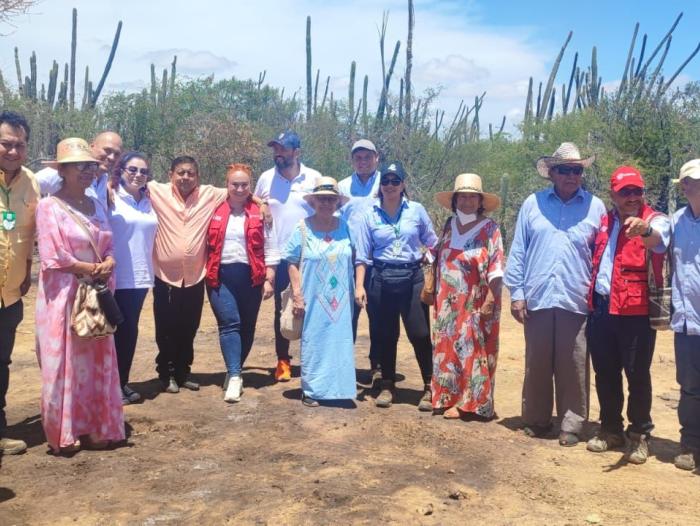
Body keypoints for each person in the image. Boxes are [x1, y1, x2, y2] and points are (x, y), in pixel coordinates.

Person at [504, 142, 606, 447]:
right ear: (552, 173)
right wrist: (517, 293)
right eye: (565, 170)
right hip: (538, 295)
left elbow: (601, 255)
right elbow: (518, 249)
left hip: (575, 297)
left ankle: (572, 423)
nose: (571, 176)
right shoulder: (532, 204)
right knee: (537, 361)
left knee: (573, 364)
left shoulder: (595, 207)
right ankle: (536, 419)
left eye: (577, 170)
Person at [35, 138, 124, 453]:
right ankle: (66, 431)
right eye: (81, 166)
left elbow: (108, 243)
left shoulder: (98, 204)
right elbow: (52, 257)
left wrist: (109, 260)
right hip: (64, 296)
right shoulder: (49, 206)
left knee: (98, 356)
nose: (89, 171)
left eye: (92, 166)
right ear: (63, 170)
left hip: (95, 294)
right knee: (65, 362)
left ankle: (98, 427)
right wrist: (91, 266)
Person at [585, 166, 670, 463]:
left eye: (637, 191)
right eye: (626, 192)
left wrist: (645, 231)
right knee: (605, 372)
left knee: (637, 374)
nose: (633, 197)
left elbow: (659, 239)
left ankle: (639, 435)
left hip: (635, 311)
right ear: (613, 195)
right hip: (602, 308)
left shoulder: (654, 219)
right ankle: (610, 429)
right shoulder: (604, 221)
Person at [355, 161, 438, 410]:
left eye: (395, 181)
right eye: (386, 181)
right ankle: (388, 385)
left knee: (420, 334)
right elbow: (362, 255)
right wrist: (360, 286)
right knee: (385, 335)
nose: (390, 186)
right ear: (380, 186)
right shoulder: (369, 215)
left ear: (403, 184)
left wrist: (430, 257)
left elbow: (433, 242)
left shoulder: (417, 210)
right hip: (380, 277)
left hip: (411, 277)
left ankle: (430, 386)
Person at [147, 156, 228, 393]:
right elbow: (123, 183)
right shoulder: (155, 190)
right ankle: (166, 373)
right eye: (181, 173)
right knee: (165, 326)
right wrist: (110, 186)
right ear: (170, 174)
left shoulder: (209, 194)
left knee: (189, 326)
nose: (185, 177)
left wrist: (262, 205)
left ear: (198, 176)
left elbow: (239, 189)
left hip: (195, 275)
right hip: (164, 276)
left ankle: (183, 372)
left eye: (190, 173)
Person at [431, 173, 504, 420]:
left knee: (472, 348)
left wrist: (490, 301)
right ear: (455, 200)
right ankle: (446, 396)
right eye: (462, 197)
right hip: (446, 301)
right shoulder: (448, 225)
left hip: (476, 300)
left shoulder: (490, 229)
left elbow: (496, 268)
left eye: (472, 197)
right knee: (447, 347)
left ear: (480, 201)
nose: (467, 202)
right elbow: (436, 256)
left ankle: (471, 402)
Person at [205, 164, 279, 403]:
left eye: (244, 184)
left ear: (251, 185)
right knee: (230, 323)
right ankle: (236, 376)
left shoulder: (260, 212)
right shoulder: (213, 207)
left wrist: (269, 278)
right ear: (226, 185)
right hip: (220, 275)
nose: (239, 188)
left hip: (251, 277)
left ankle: (233, 368)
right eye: (234, 184)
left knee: (247, 326)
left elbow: (271, 245)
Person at [254, 131, 322, 382]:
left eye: (283, 149)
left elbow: (327, 207)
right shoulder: (266, 178)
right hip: (279, 254)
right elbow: (253, 200)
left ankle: (312, 359)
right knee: (282, 309)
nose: (278, 154)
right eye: (275, 149)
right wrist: (261, 204)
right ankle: (283, 360)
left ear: (297, 152)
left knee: (312, 307)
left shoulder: (313, 177)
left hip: (311, 255)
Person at [285, 177, 356, 406]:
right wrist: (297, 295)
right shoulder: (302, 227)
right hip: (312, 297)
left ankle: (339, 389)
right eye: (322, 199)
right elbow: (292, 262)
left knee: (340, 341)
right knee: (314, 341)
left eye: (331, 199)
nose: (326, 203)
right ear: (314, 201)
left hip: (342, 299)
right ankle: (312, 390)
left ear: (337, 202)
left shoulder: (345, 227)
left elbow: (356, 259)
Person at [0, 111, 39, 455]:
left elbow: (27, 236)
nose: (13, 151)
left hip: (10, 295)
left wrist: (27, 272)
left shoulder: (31, 183)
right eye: (6, 144)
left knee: (1, 363)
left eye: (19, 145)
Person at [108, 152, 158, 405]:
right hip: (115, 278)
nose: (138, 175)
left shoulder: (148, 200)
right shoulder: (110, 196)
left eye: (143, 171)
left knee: (129, 332)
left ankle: (122, 382)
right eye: (133, 169)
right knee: (110, 333)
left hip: (141, 279)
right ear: (121, 170)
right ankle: (109, 387)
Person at [338, 139, 381, 382]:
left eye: (367, 157)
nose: (362, 162)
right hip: (350, 260)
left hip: (379, 261)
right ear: (352, 160)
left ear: (377, 158)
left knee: (377, 316)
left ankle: (377, 365)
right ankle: (345, 364)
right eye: (358, 158)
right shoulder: (343, 187)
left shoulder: (387, 183)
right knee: (348, 316)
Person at [670, 159, 700, 472]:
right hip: (688, 320)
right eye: (690, 181)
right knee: (690, 387)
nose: (694, 185)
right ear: (684, 187)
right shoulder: (676, 221)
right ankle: (691, 445)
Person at [35, 131, 123, 205]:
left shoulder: (104, 180)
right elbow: (30, 183)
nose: (112, 157)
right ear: (91, 147)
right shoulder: (65, 171)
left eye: (117, 154)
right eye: (107, 150)